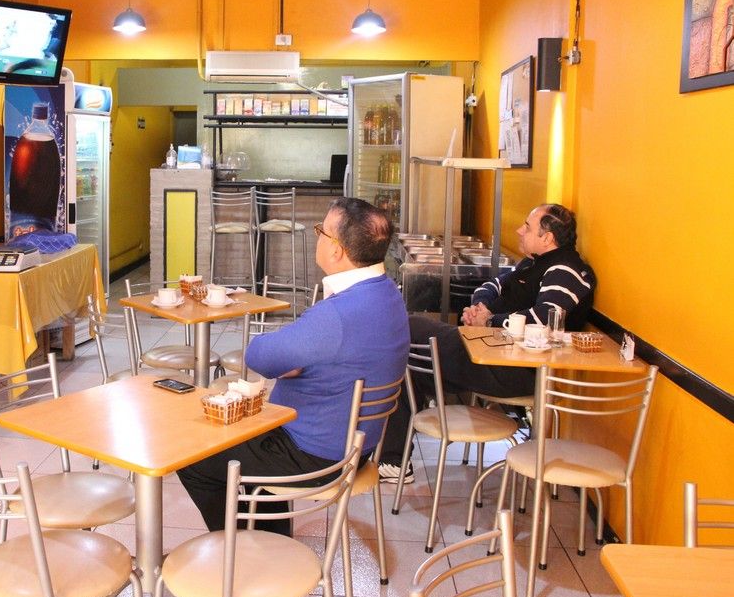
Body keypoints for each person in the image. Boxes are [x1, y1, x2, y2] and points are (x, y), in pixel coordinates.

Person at [177, 197, 409, 536]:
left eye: (321, 232)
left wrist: (298, 359)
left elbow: (259, 356)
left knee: (193, 456)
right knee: (249, 440)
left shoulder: (337, 315)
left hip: (313, 455)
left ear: (337, 250)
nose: (317, 238)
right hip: (357, 446)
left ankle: (244, 549)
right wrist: (306, 359)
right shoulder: (387, 294)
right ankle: (270, 540)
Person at [378, 203, 597, 483]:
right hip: (489, 353)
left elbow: (544, 319)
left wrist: (491, 320)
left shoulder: (565, 270)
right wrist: (481, 308)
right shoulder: (531, 263)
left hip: (518, 371)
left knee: (410, 328)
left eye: (527, 227)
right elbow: (491, 286)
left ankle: (393, 457)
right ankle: (393, 460)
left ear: (548, 238)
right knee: (406, 359)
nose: (519, 230)